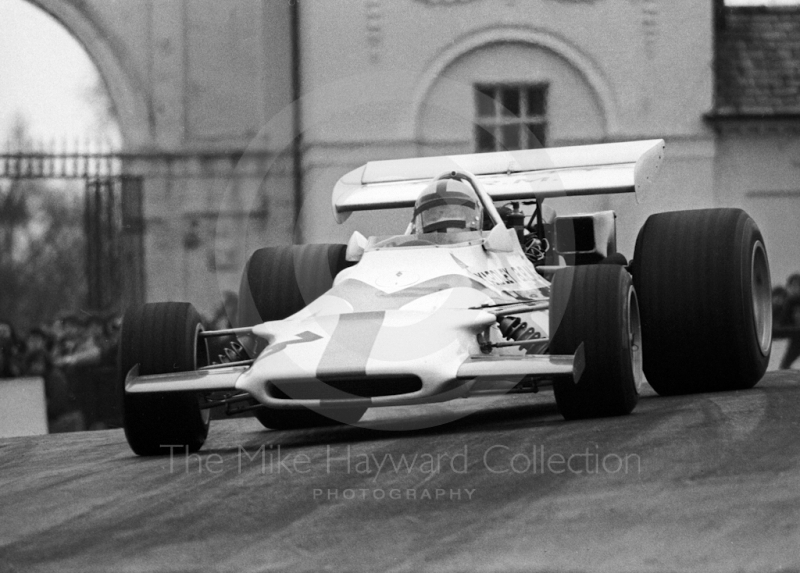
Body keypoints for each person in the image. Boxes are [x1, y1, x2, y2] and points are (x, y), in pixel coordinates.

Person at [411, 177, 484, 235]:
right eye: (434, 218)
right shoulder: (414, 252)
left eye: (452, 215)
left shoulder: (488, 248)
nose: (442, 220)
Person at [779, 273, 800, 370]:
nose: (796, 289)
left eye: (798, 285)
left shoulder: (790, 301)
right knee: (785, 365)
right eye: (794, 286)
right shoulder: (788, 302)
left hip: (795, 335)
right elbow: (783, 321)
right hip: (795, 336)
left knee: (785, 365)